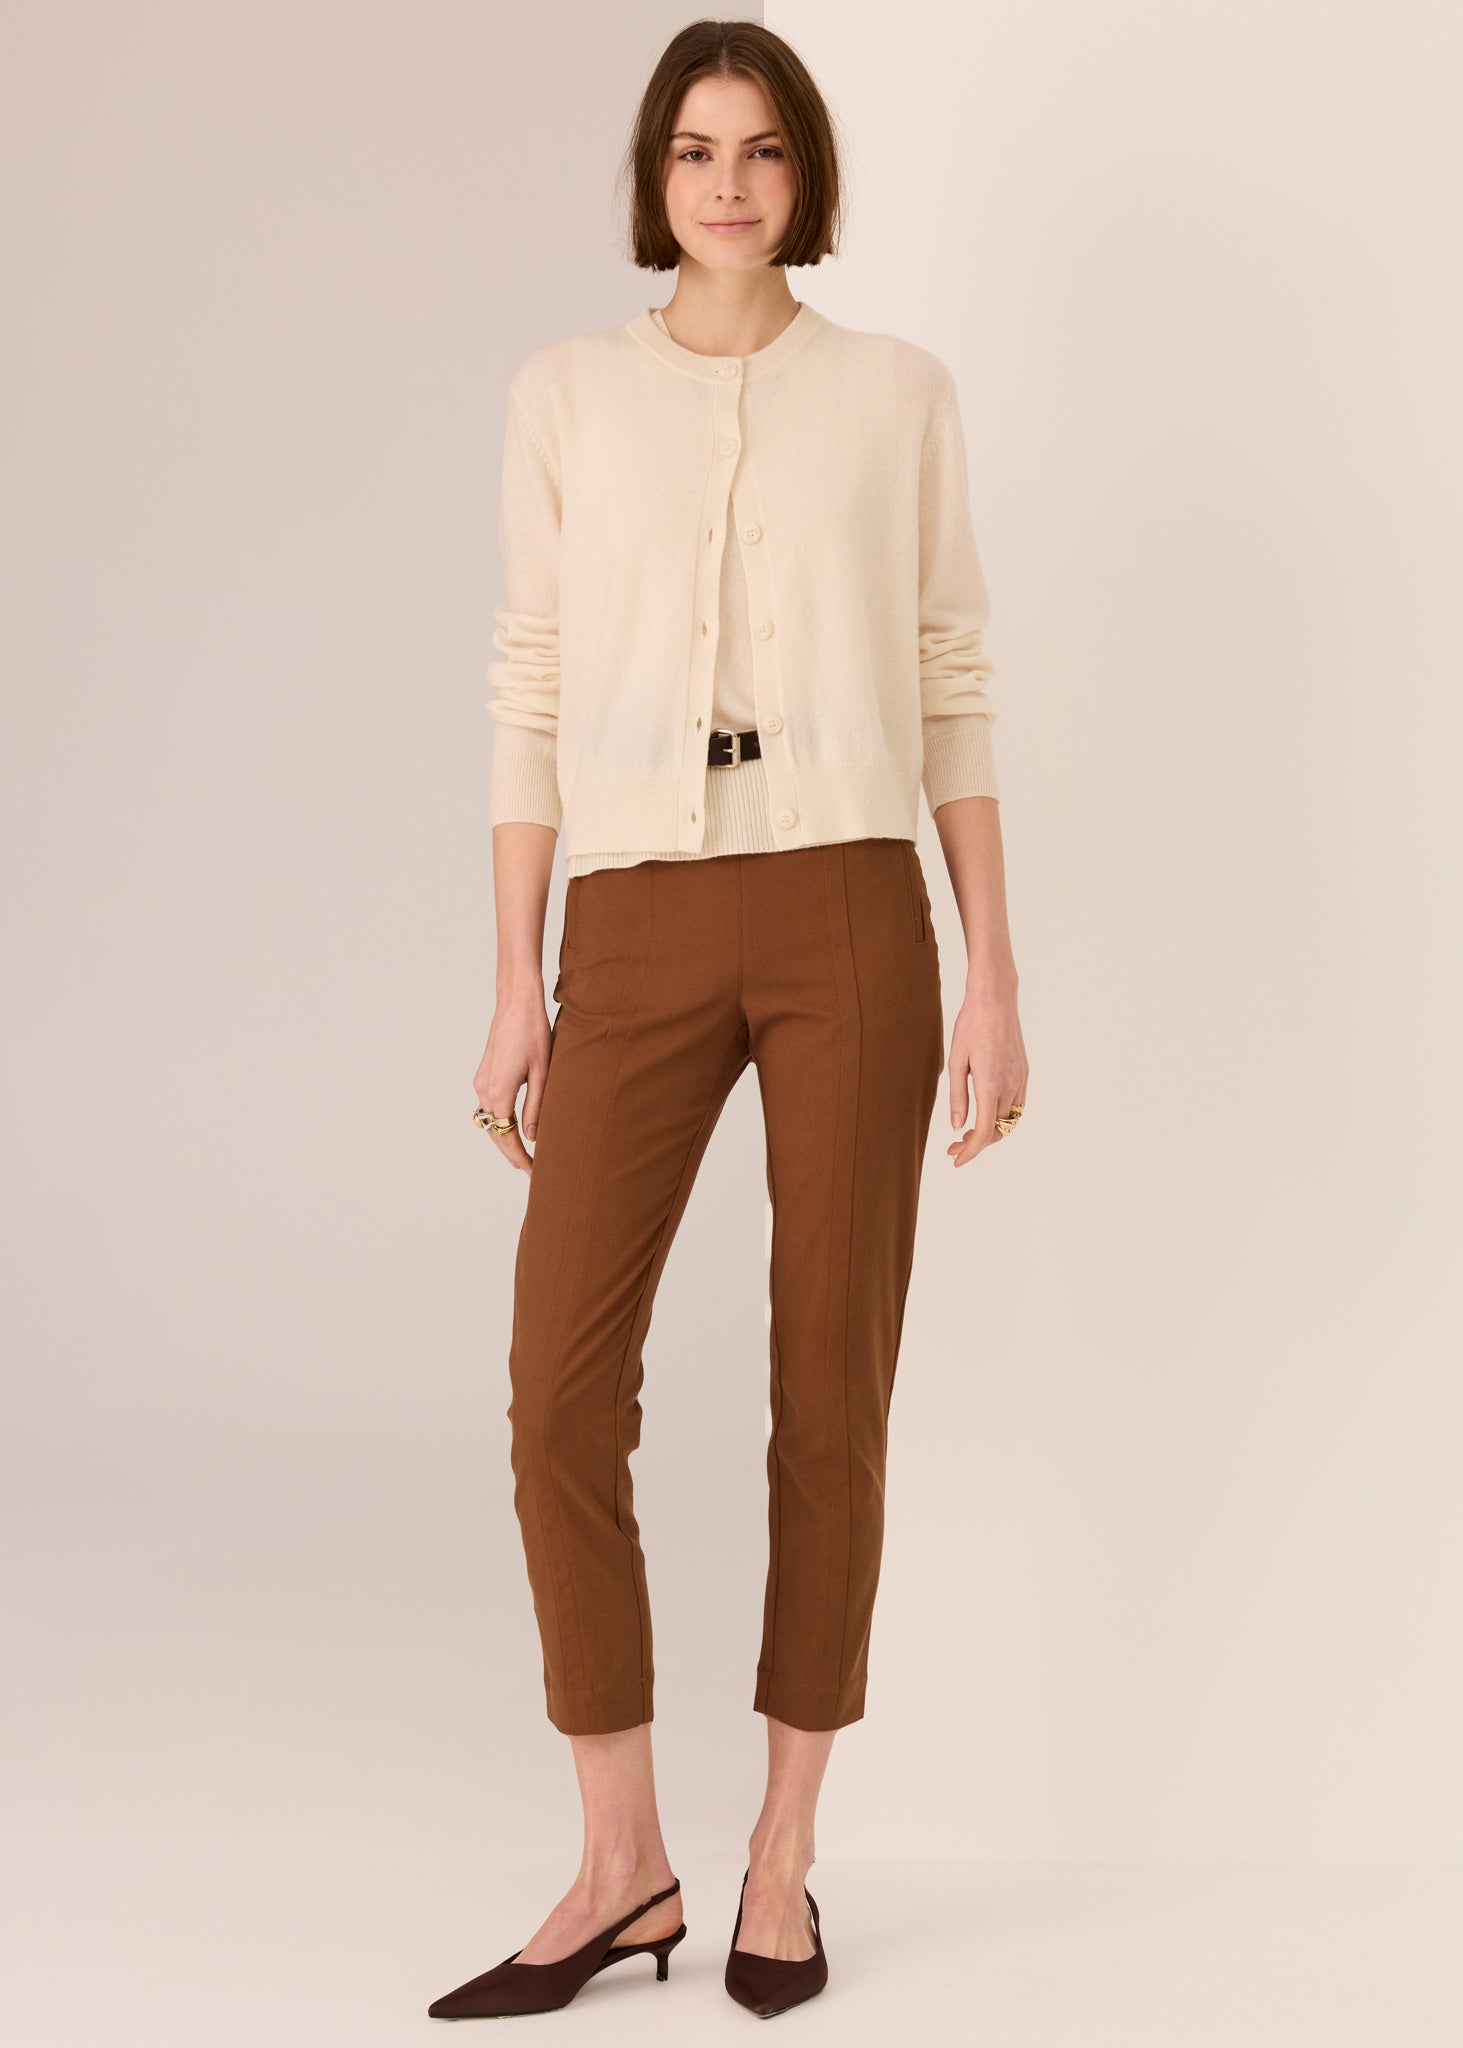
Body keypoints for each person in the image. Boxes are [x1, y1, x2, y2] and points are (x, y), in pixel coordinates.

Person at [428, 18, 1028, 2025]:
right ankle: (623, 1865)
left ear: (806, 173)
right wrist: (516, 976)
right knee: (556, 1391)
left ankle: (782, 1851)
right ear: (654, 177)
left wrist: (993, 964)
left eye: (764, 150)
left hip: (851, 901)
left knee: (827, 1388)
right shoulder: (565, 396)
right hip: (636, 911)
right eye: (695, 150)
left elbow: (952, 674)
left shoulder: (898, 394)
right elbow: (528, 682)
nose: (730, 185)